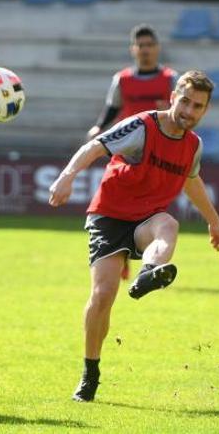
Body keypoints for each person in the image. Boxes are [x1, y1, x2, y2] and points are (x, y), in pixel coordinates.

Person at [50, 70, 219, 402]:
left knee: (169, 225)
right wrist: (67, 176)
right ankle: (90, 373)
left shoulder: (193, 145)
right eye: (186, 102)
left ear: (206, 110)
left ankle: (149, 273)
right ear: (174, 96)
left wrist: (215, 223)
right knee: (103, 295)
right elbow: (96, 146)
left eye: (198, 107)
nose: (189, 111)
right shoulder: (143, 126)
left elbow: (192, 180)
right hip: (110, 216)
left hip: (147, 218)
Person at [86, 24, 179, 281]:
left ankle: (137, 254)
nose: (145, 50)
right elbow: (112, 109)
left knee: (150, 208)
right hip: (128, 152)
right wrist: (98, 127)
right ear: (133, 49)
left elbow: (180, 114)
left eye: (150, 45)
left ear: (157, 48)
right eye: (141, 46)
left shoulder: (171, 79)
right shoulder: (123, 80)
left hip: (159, 155)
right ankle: (120, 253)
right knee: (120, 203)